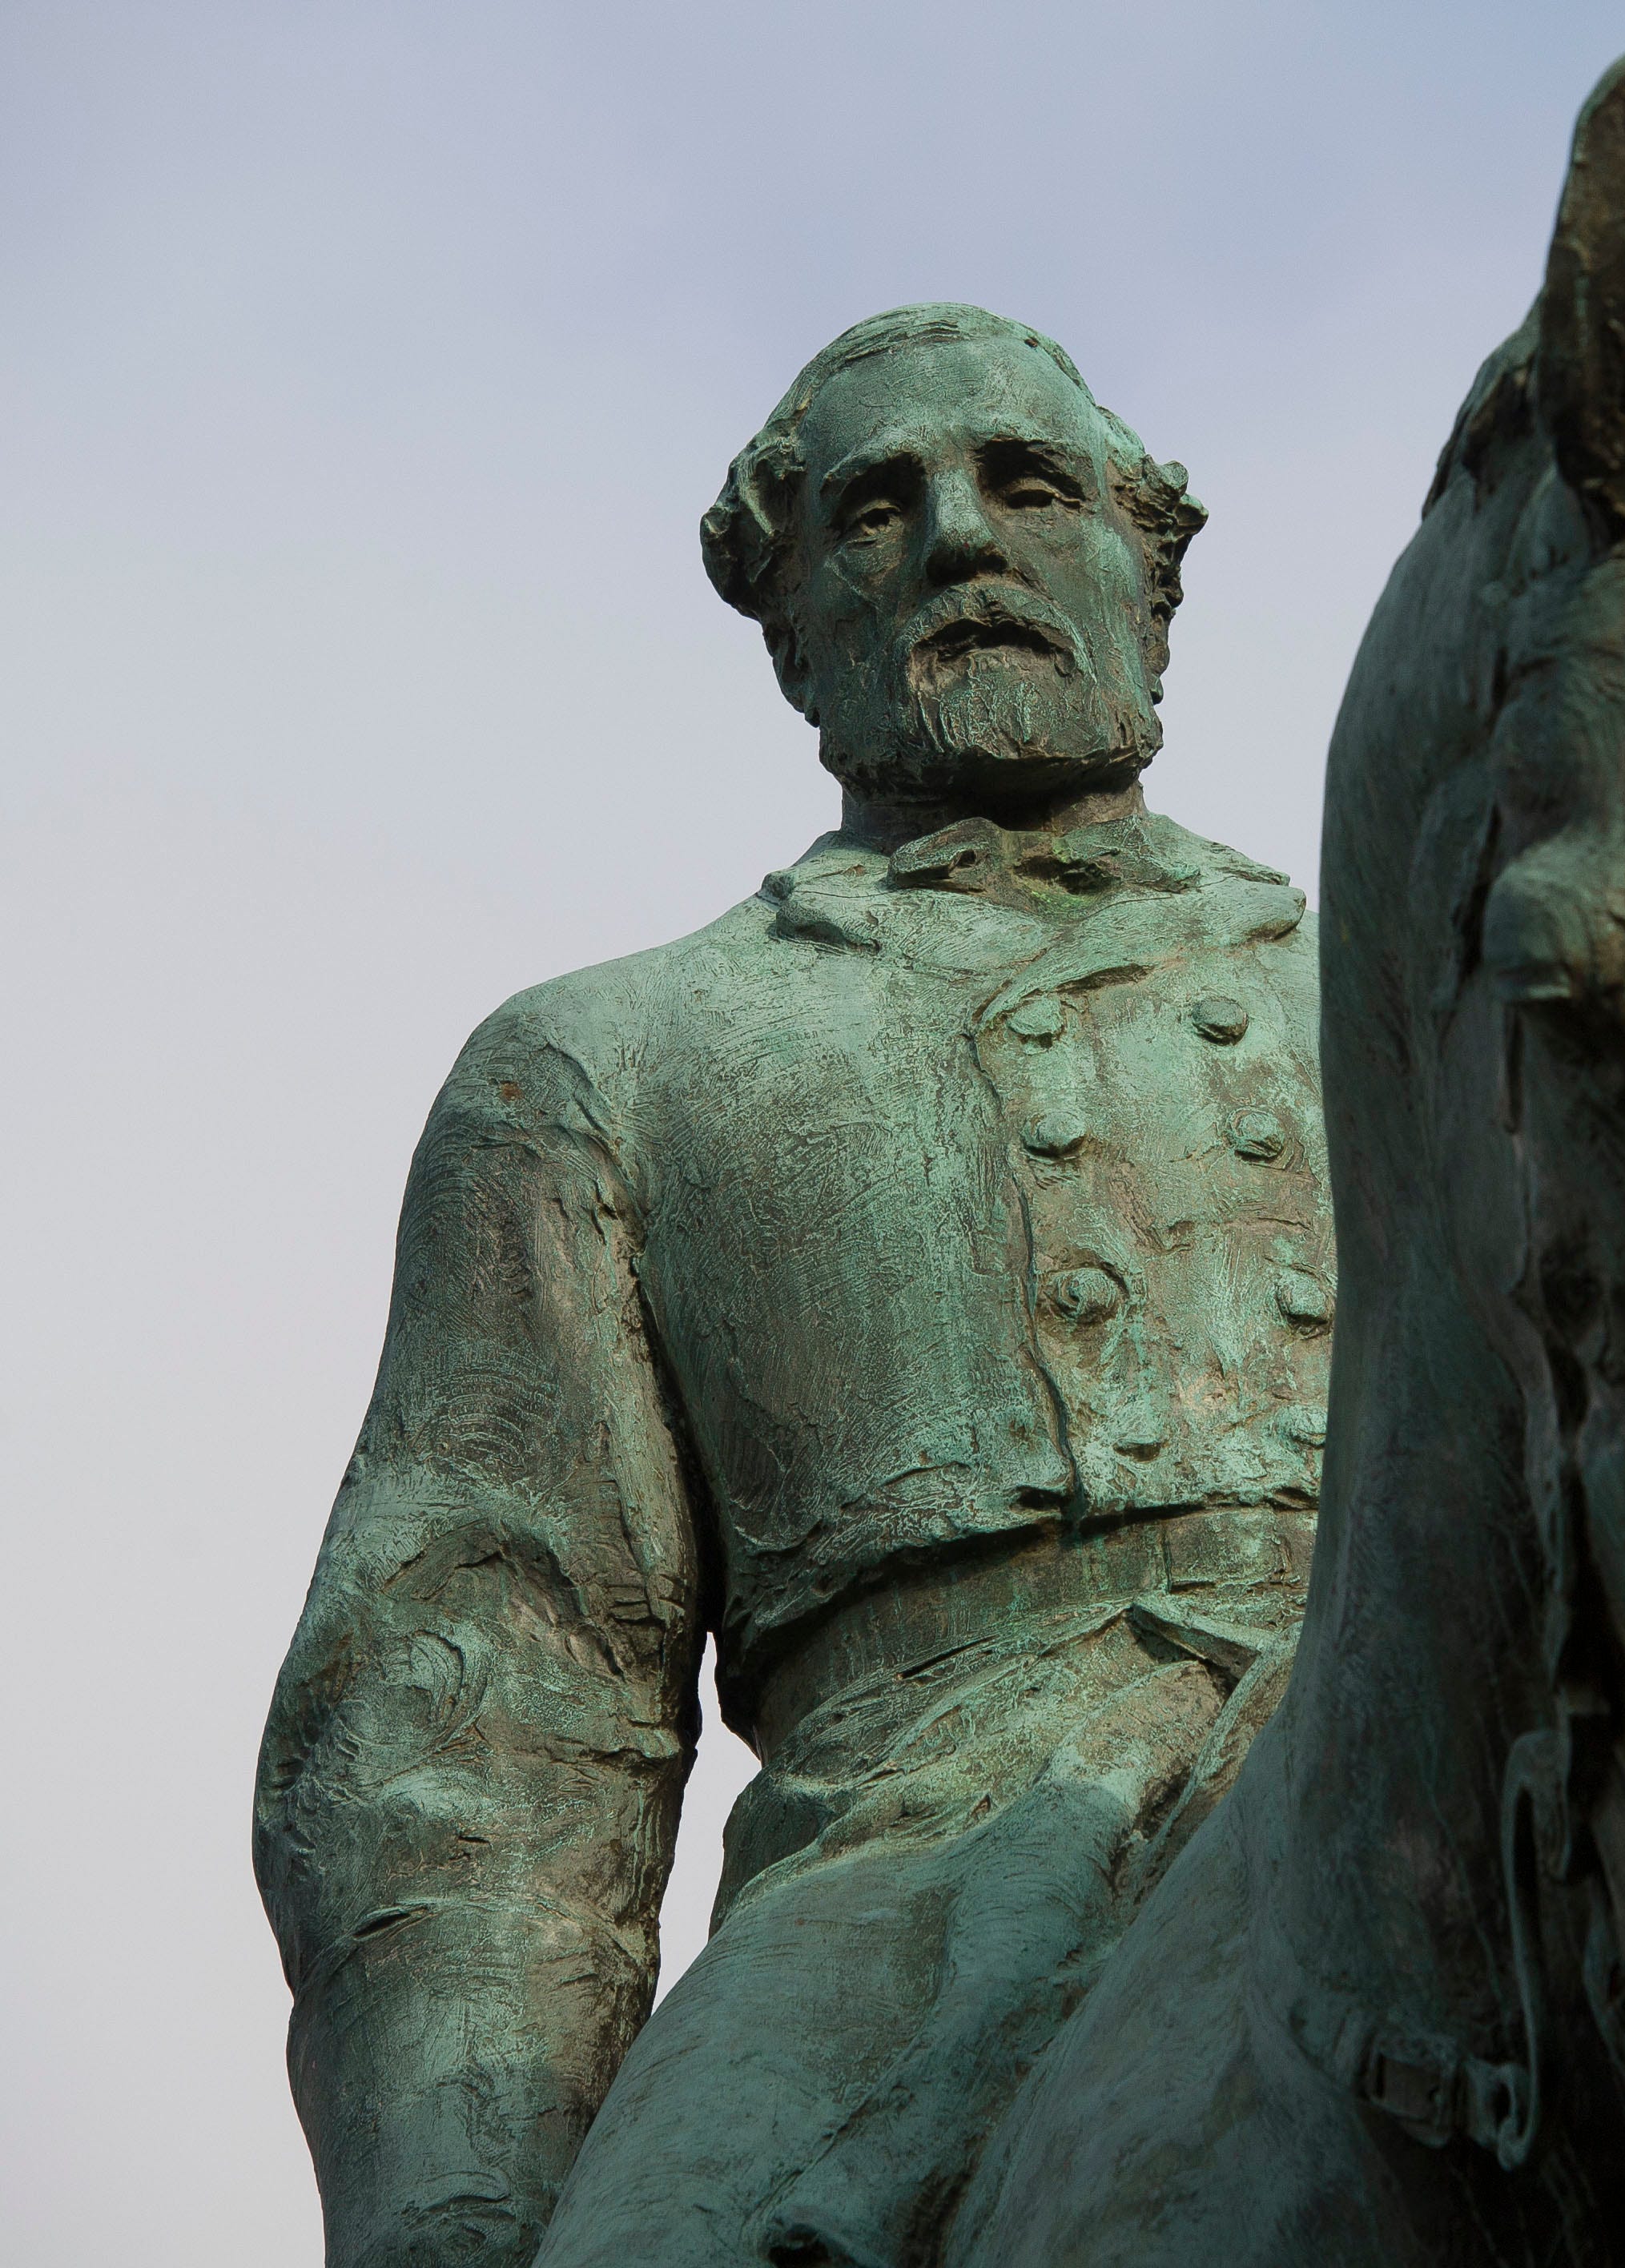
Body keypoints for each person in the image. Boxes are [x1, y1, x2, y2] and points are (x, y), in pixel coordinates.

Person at [255, 304, 1333, 2268]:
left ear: (1148, 570)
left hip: (1474, 1749)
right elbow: (482, 1711)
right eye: (871, 511)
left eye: (1025, 482)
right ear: (790, 630)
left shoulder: (1425, 978)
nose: (954, 539)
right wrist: (458, 2215)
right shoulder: (610, 1061)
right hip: (913, 1864)